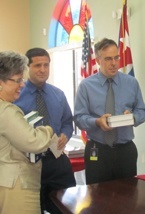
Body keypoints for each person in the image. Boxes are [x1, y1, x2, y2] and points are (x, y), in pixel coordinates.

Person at [74, 38, 145, 185]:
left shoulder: (131, 83)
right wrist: (96, 122)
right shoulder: (86, 86)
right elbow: (79, 118)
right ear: (98, 60)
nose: (114, 63)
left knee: (128, 197)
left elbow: (142, 111)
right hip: (98, 150)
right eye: (108, 59)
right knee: (98, 200)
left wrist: (133, 118)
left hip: (125, 151)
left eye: (116, 58)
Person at [14, 48, 76, 214]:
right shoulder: (16, 96)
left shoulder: (58, 95)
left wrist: (65, 135)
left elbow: (67, 122)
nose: (43, 69)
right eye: (37, 65)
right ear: (27, 68)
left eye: (46, 65)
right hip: (29, 164)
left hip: (57, 161)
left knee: (67, 208)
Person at [0, 51, 53, 213]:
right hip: (18, 184)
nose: (22, 85)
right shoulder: (6, 110)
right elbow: (34, 142)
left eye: (21, 79)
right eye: (17, 80)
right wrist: (47, 130)